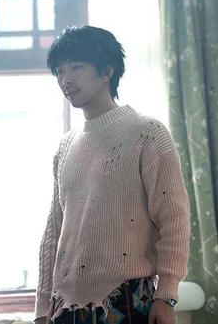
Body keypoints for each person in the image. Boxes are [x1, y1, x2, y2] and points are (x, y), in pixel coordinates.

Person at [34, 25, 190, 324]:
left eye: (77, 67)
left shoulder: (147, 133)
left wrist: (166, 295)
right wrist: (42, 308)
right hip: (65, 306)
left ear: (107, 71)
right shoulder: (65, 147)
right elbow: (54, 231)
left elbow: (174, 220)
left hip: (127, 298)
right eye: (60, 71)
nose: (66, 79)